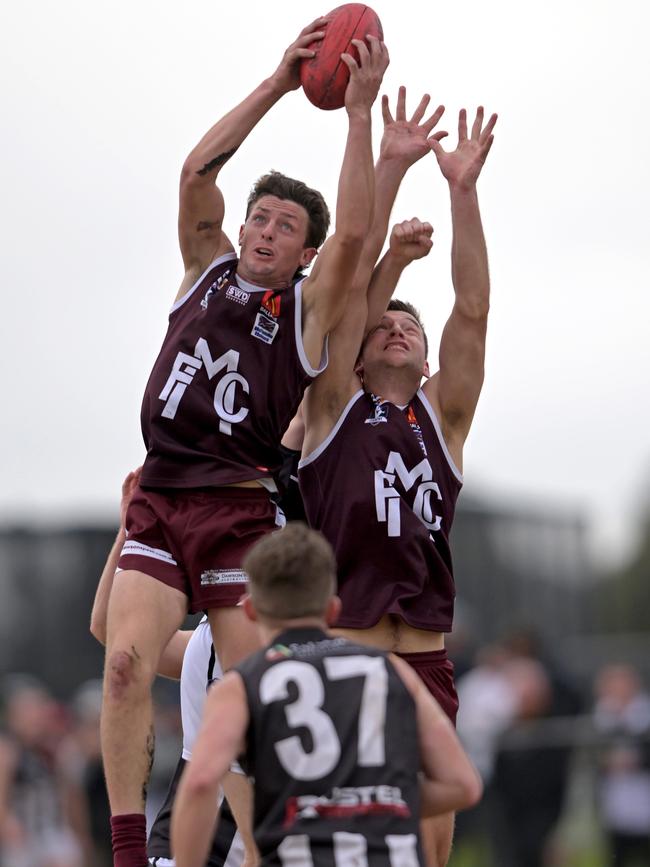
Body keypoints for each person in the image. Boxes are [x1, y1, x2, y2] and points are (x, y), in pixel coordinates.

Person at [101, 18, 389, 866]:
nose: (262, 231)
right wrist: (276, 82)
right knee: (123, 665)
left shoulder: (305, 312)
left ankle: (271, 851)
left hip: (236, 510)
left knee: (248, 699)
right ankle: (127, 851)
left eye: (282, 227)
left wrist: (359, 116)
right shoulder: (205, 268)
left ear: (303, 252)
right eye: (257, 217)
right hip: (160, 495)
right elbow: (197, 171)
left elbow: (358, 242)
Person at [299, 104, 496, 866]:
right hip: (344, 655)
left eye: (412, 329)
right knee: (340, 841)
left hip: (424, 659)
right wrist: (390, 169)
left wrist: (462, 192)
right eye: (387, 325)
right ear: (356, 355)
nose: (400, 330)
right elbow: (346, 289)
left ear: (427, 359)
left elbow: (473, 311)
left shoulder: (441, 418)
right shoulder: (331, 407)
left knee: (428, 847)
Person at [170, 523, 482, 867]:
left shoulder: (239, 687)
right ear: (334, 610)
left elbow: (200, 783)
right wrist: (371, 803)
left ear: (250, 610)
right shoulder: (392, 672)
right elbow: (462, 784)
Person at [90, 470, 246, 866]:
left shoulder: (270, 639)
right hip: (184, 843)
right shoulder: (205, 641)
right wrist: (132, 533)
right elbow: (111, 632)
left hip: (246, 840)